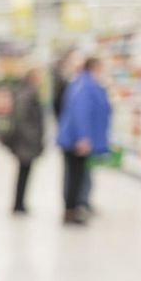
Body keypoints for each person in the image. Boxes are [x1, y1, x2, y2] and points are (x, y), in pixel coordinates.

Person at [57, 57, 111, 226]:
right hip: (77, 141)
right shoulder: (85, 86)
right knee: (75, 176)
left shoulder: (81, 84)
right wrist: (84, 138)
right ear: (94, 68)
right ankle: (72, 211)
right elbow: (81, 113)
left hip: (76, 140)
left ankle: (74, 209)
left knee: (77, 175)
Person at [0, 69, 45, 214]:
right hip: (25, 141)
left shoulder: (24, 92)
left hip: (24, 140)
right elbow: (21, 118)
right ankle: (19, 204)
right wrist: (32, 136)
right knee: (24, 172)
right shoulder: (28, 94)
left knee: (24, 172)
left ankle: (20, 203)